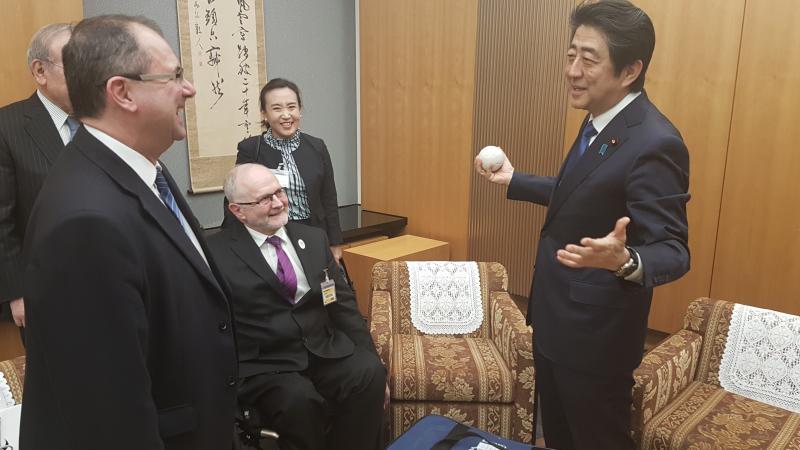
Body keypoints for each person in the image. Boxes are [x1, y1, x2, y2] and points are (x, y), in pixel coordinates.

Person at [475, 1, 690, 449]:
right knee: (559, 436)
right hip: (557, 318)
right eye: (571, 54)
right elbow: (581, 192)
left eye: (588, 59)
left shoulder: (656, 142)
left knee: (596, 439)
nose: (572, 69)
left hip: (597, 339)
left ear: (630, 70)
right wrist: (516, 180)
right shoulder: (598, 120)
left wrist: (625, 259)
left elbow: (673, 249)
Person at [20, 15, 237, 450]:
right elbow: (106, 414)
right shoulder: (84, 222)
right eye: (174, 75)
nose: (188, 89)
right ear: (122, 92)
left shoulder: (142, 167)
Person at [208, 163, 387, 450]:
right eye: (265, 199)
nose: (278, 202)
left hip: (322, 348)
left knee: (369, 374)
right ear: (237, 210)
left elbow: (342, 305)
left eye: (279, 191)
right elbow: (213, 327)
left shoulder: (313, 238)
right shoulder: (216, 255)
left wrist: (370, 355)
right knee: (299, 401)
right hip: (268, 364)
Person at [0, 23, 74, 333]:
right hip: (45, 292)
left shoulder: (106, 121)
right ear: (40, 71)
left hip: (115, 284)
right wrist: (17, 292)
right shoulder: (8, 126)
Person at [227, 78, 344, 264]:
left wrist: (335, 242)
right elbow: (236, 198)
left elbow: (329, 197)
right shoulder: (251, 149)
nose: (286, 115)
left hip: (313, 234)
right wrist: (234, 245)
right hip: (271, 235)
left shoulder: (317, 146)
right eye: (277, 108)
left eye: (291, 107)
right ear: (264, 113)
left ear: (300, 110)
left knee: (320, 289)